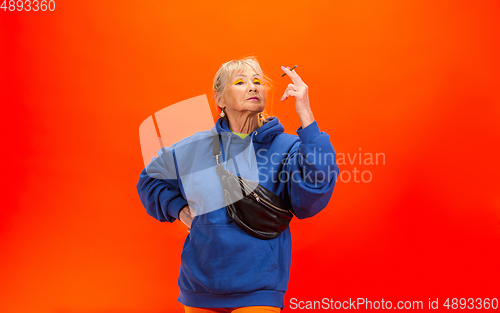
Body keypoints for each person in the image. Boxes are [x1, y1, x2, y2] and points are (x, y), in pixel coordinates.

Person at [137, 57, 339, 312]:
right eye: (241, 82)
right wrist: (178, 209)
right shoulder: (195, 147)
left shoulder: (287, 148)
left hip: (258, 288)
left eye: (257, 82)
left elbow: (315, 190)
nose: (253, 87)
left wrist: (306, 116)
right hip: (199, 287)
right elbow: (150, 178)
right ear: (220, 100)